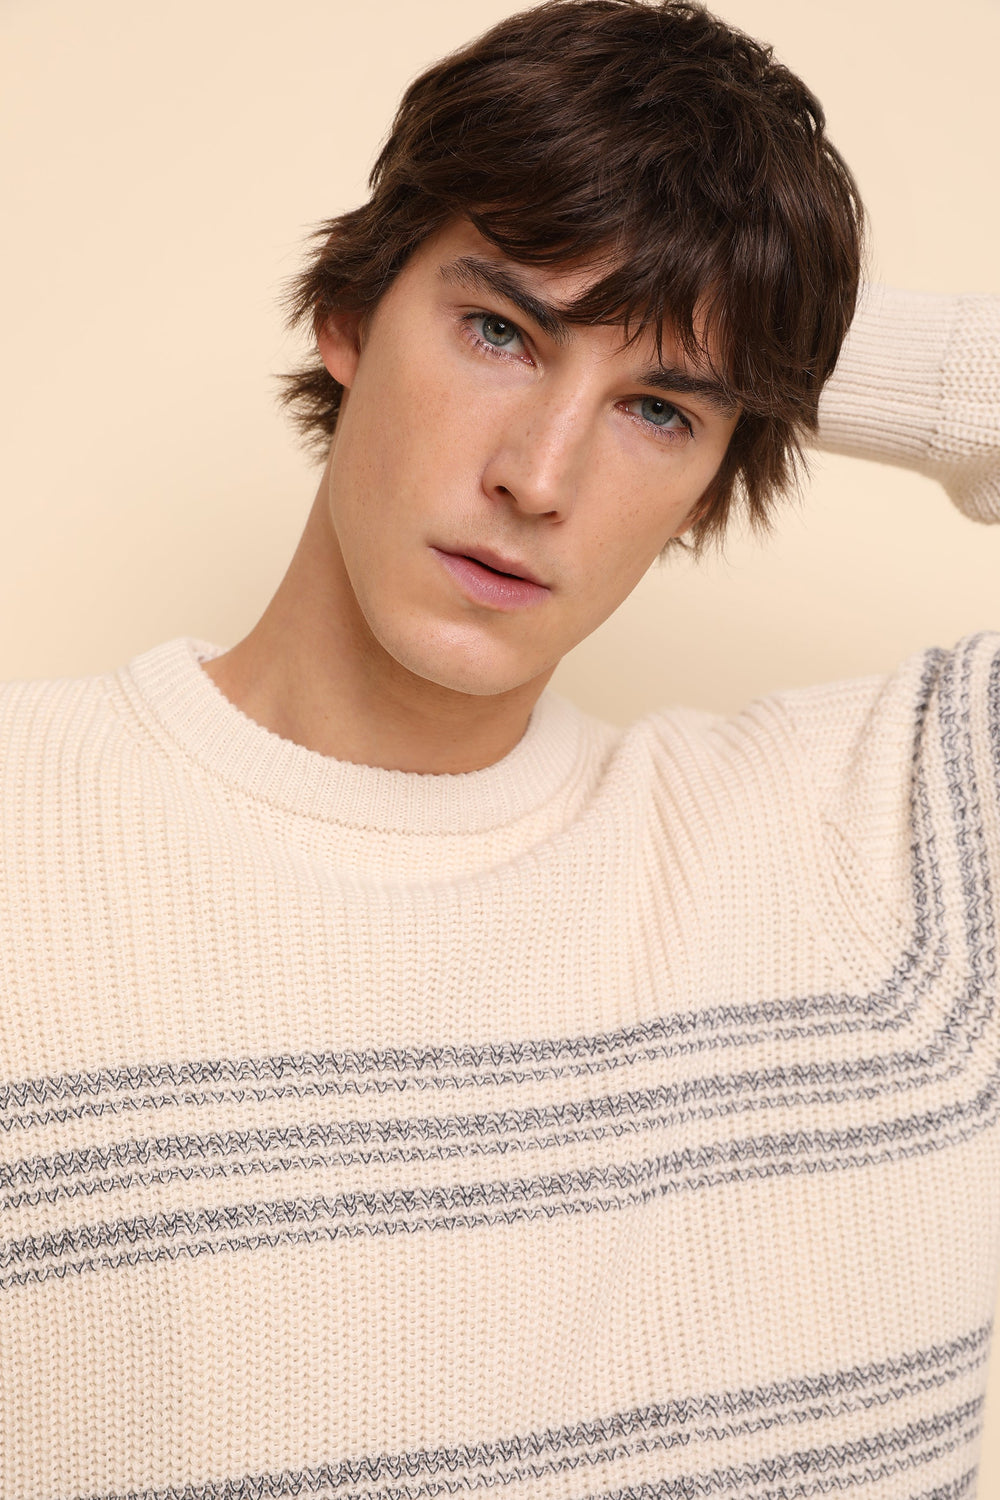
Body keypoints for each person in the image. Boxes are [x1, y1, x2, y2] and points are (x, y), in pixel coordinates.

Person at [2, 1, 999, 1496]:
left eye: (657, 411)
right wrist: (681, 303)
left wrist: (765, 317)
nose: (540, 476)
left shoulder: (912, 850)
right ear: (348, 316)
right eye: (499, 333)